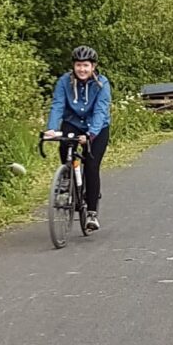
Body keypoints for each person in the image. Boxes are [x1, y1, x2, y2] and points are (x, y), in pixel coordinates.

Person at [44, 46, 112, 232]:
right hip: (73, 122)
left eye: (86, 65)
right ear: (73, 66)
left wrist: (90, 135)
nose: (82, 69)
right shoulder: (64, 82)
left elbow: (100, 111)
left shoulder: (102, 84)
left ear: (93, 67)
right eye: (78, 65)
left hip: (96, 128)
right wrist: (51, 128)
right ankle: (67, 179)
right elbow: (58, 105)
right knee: (65, 147)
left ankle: (91, 213)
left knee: (91, 165)